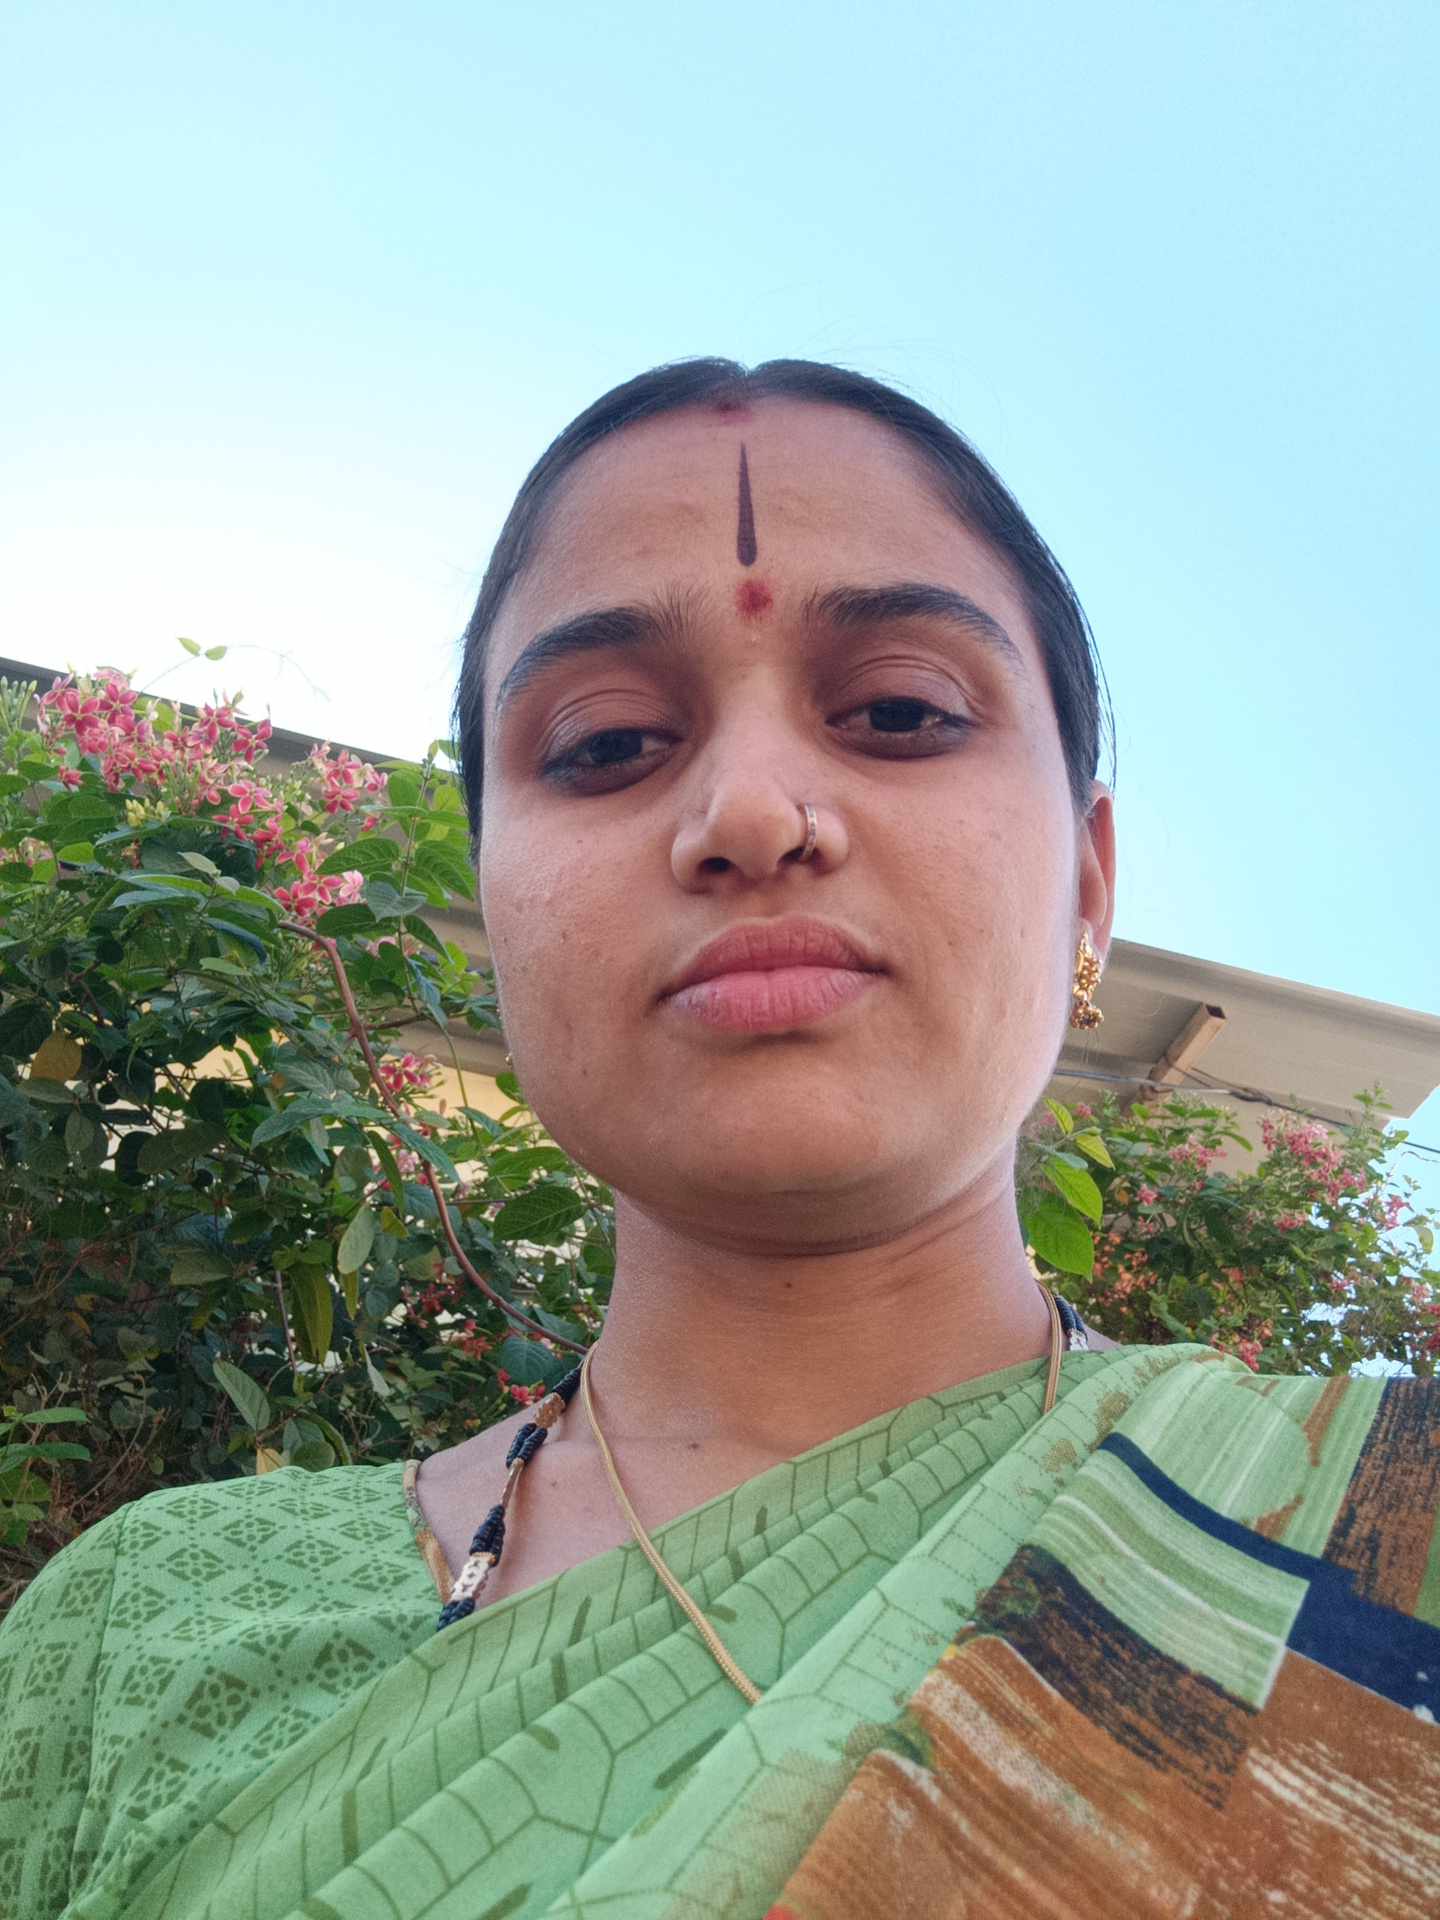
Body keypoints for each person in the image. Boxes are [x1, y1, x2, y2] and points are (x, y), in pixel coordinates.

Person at [2, 358, 1436, 1919]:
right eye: (609, 742)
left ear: (1090, 886)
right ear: (492, 909)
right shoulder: (136, 1641)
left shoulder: (1386, 1542)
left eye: (900, 711)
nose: (752, 813)